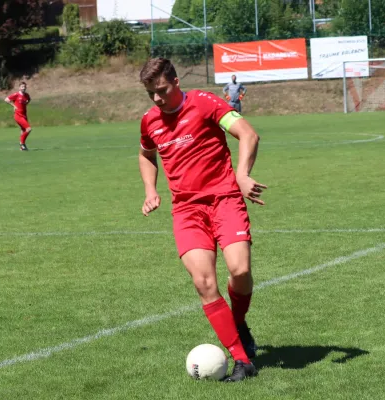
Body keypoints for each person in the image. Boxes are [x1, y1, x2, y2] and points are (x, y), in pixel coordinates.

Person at [138, 58, 267, 382]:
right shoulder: (149, 121)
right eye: (151, 93)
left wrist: (241, 175)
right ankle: (242, 360)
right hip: (186, 211)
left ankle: (238, 322)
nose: (157, 99)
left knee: (240, 271)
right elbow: (146, 154)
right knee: (204, 282)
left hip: (225, 200)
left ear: (176, 81)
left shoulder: (205, 102)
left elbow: (248, 135)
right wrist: (150, 190)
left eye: (162, 91)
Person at [5, 82, 32, 151]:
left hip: (24, 115)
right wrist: (14, 106)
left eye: (25, 87)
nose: (24, 88)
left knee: (23, 130)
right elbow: (6, 99)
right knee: (28, 129)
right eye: (22, 87)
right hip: (18, 115)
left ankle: (22, 147)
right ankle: (21, 143)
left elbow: (29, 100)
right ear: (19, 88)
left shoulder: (26, 95)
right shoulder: (16, 95)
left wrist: (26, 104)